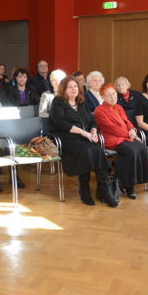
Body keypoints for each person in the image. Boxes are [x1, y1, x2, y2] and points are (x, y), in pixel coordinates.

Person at [49, 76, 117, 207]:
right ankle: (84, 189)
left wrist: (93, 130)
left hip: (84, 136)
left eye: (75, 86)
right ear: (64, 89)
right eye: (70, 87)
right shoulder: (57, 101)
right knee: (86, 150)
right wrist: (83, 132)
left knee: (97, 149)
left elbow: (92, 120)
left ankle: (104, 189)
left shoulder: (82, 102)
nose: (74, 89)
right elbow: (60, 123)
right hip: (66, 137)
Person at [94, 84, 148, 199]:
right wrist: (129, 134)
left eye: (114, 94)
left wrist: (132, 129)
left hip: (125, 136)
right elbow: (112, 128)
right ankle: (128, 185)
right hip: (111, 139)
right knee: (130, 151)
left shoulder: (119, 107)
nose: (113, 97)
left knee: (143, 149)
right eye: (109, 95)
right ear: (103, 97)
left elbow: (127, 122)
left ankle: (135, 181)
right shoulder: (99, 111)